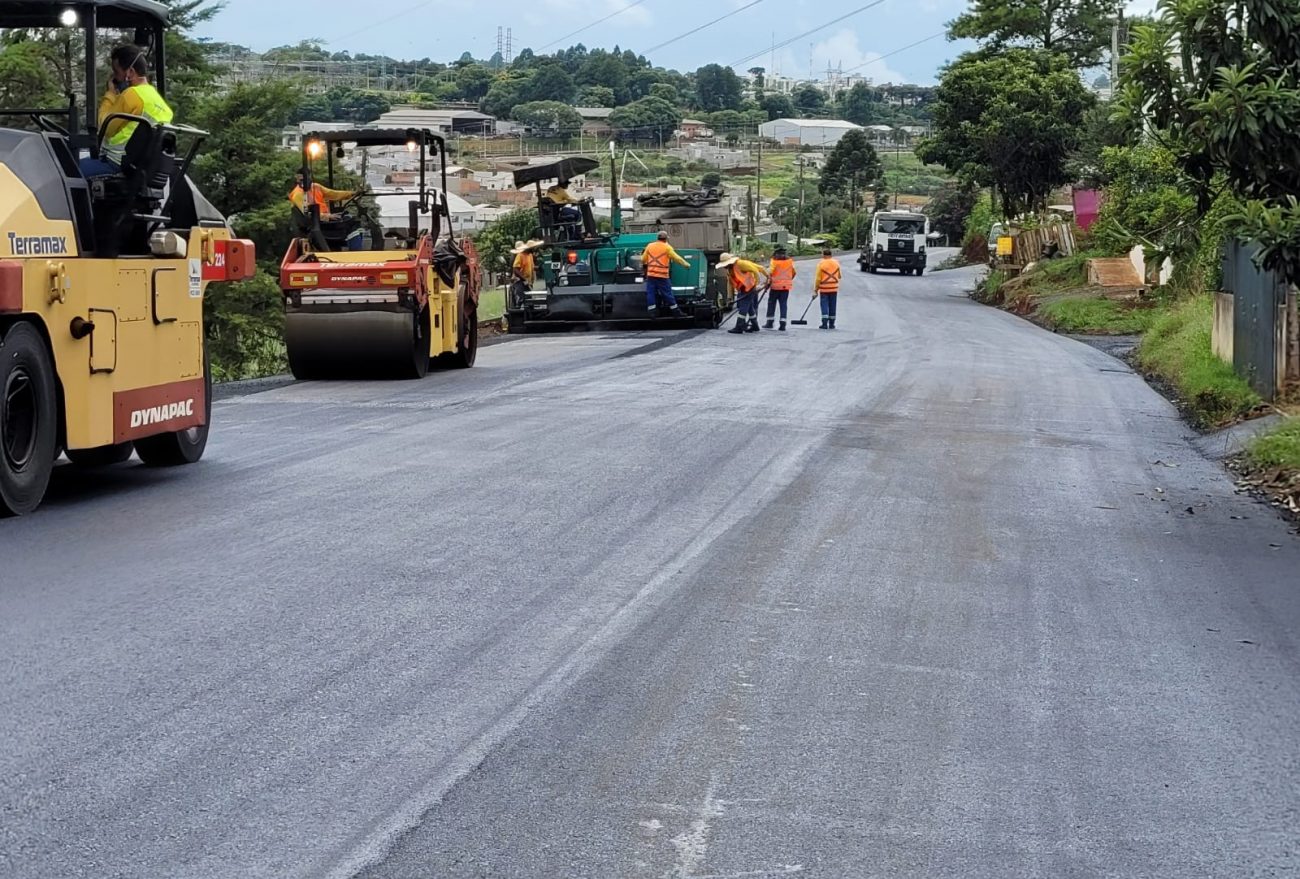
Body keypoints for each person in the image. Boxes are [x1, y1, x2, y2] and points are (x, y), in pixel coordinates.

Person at [79, 45, 174, 178]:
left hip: (115, 163)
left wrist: (110, 94)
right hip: (140, 169)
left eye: (116, 72)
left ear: (130, 72)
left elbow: (104, 127)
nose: (116, 78)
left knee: (69, 169)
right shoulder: (159, 102)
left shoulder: (132, 94)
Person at [717, 251, 770, 334]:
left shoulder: (741, 264)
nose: (725, 267)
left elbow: (756, 270)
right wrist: (730, 298)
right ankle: (755, 325)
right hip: (742, 289)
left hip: (749, 288)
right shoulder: (729, 270)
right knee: (750, 308)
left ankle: (739, 326)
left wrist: (759, 282)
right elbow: (730, 284)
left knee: (743, 307)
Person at [641, 231, 689, 318]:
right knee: (667, 294)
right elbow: (676, 258)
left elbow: (643, 259)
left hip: (651, 275)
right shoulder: (667, 247)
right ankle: (676, 312)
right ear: (666, 239)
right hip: (662, 276)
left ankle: (652, 313)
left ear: (657, 238)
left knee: (650, 293)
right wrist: (686, 264)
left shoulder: (650, 246)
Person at [288, 170, 355, 221]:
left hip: (324, 220)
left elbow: (333, 194)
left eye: (304, 179)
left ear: (309, 177)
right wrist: (328, 217)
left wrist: (351, 193)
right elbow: (307, 213)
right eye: (300, 180)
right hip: (314, 224)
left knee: (349, 218)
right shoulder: (297, 194)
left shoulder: (316, 187)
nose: (302, 182)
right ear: (297, 180)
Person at [764, 246, 797, 331]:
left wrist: (767, 279)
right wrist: (787, 280)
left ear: (776, 254)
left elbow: (770, 271)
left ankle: (770, 322)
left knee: (771, 303)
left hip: (775, 286)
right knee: (783, 304)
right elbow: (793, 273)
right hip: (785, 287)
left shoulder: (774, 262)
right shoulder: (789, 262)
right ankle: (783, 323)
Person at [814, 248, 842, 329]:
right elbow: (839, 276)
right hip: (834, 288)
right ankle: (832, 323)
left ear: (823, 255)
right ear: (831, 255)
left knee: (824, 305)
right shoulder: (836, 263)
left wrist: (816, 289)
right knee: (833, 305)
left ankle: (824, 323)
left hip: (824, 288)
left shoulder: (821, 264)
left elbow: (818, 278)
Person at [509, 239, 542, 306]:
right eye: (533, 248)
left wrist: (539, 268)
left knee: (529, 300)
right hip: (520, 282)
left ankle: (529, 312)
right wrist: (524, 279)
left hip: (527, 282)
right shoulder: (520, 255)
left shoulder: (530, 256)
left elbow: (531, 267)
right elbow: (515, 269)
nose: (534, 249)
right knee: (521, 299)